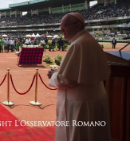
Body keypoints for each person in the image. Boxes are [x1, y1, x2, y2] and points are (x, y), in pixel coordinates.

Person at [47, 12, 111, 141]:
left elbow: (68, 79)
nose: (61, 30)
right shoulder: (87, 40)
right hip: (92, 98)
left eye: (65, 26)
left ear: (77, 26)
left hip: (81, 104)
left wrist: (53, 75)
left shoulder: (79, 44)